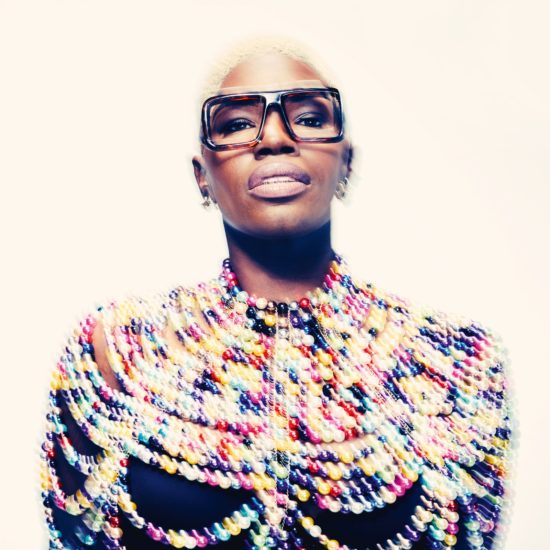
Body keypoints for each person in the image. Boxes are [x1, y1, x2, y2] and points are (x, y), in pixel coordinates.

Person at [40, 35, 513, 550]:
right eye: (236, 124)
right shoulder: (118, 350)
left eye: (308, 118)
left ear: (347, 163)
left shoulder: (456, 362)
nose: (273, 138)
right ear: (202, 177)